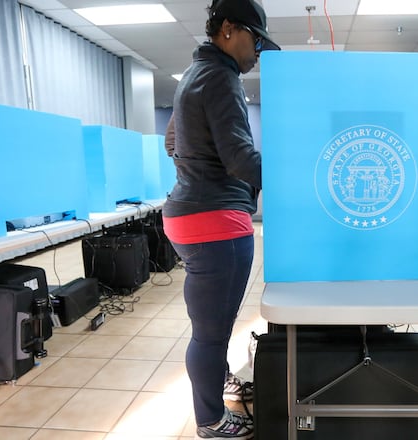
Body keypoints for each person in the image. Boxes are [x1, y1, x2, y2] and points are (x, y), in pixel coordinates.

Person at [161, 1, 279, 439]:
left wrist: (195, 174)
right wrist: (297, 179)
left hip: (190, 214)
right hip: (215, 221)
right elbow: (241, 159)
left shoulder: (194, 76)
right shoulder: (222, 77)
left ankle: (218, 381)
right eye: (257, 39)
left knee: (211, 328)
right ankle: (211, 420)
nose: (259, 51)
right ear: (228, 29)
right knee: (211, 335)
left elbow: (173, 141)